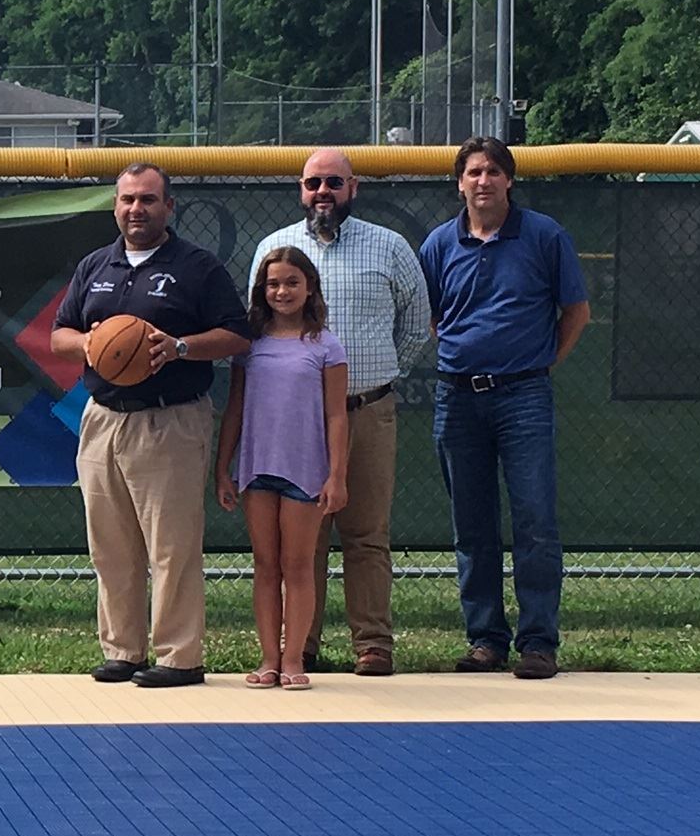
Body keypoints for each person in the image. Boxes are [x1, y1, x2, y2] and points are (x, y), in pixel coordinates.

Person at [50, 163, 252, 687]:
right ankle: (123, 649)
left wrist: (180, 346)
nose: (136, 209)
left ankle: (180, 657)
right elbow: (60, 337)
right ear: (115, 207)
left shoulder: (197, 267)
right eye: (127, 200)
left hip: (171, 416)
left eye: (147, 200)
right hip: (102, 418)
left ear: (169, 206)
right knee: (110, 545)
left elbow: (237, 335)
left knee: (172, 545)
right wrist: (91, 344)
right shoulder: (96, 264)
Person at [247, 147, 429, 676]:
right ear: (300, 190)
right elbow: (257, 326)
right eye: (312, 183)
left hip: (367, 408)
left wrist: (372, 376)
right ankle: (299, 648)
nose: (321, 192)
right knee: (303, 541)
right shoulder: (274, 248)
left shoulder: (389, 246)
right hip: (294, 420)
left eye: (333, 182)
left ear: (353, 188)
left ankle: (372, 643)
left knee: (365, 531)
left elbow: (416, 326)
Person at [419, 137, 590, 680]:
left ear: (510, 180)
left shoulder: (544, 235)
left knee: (535, 519)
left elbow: (576, 312)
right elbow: (431, 315)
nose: (483, 181)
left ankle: (537, 641)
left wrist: (539, 363)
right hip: (457, 396)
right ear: (459, 182)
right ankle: (486, 639)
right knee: (471, 524)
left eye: (494, 171)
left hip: (523, 396)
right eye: (473, 172)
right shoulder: (441, 243)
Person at [215, 248, 349, 688]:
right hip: (258, 470)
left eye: (292, 282)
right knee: (265, 564)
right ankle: (269, 659)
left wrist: (336, 474)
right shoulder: (249, 344)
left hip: (305, 471)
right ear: (261, 290)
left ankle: (294, 659)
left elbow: (335, 415)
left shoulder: (325, 345)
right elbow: (235, 408)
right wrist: (224, 467)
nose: (282, 291)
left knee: (297, 565)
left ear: (309, 286)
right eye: (273, 284)